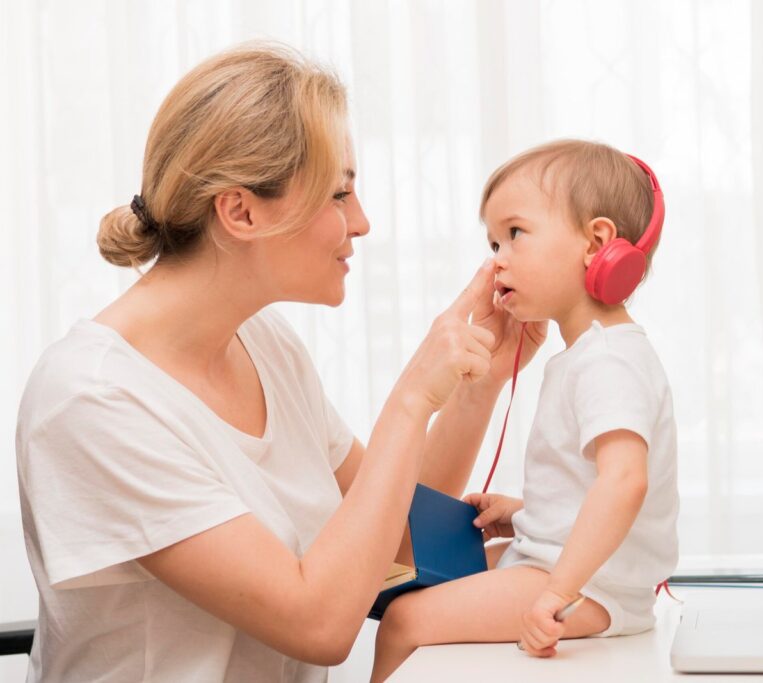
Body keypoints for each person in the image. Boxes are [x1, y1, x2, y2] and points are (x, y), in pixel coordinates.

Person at [15, 42, 547, 683]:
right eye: (339, 194)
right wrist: (412, 399)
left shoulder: (264, 343)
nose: (362, 222)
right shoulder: (92, 400)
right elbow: (318, 625)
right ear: (240, 211)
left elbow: (399, 537)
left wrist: (475, 383)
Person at [370, 140, 680, 681]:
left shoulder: (608, 360)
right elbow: (592, 483)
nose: (498, 259)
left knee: (403, 618)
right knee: (411, 579)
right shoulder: (590, 353)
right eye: (492, 242)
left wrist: (557, 593)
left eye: (515, 233)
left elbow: (627, 482)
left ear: (597, 242)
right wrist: (525, 513)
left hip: (587, 585)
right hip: (570, 570)